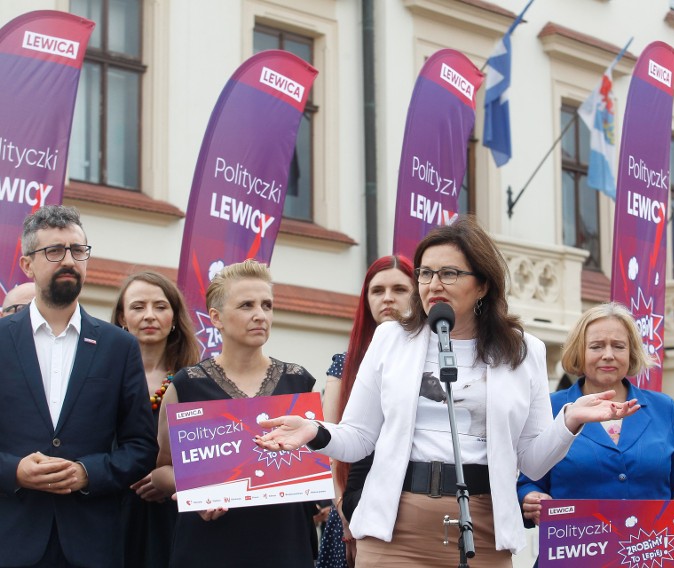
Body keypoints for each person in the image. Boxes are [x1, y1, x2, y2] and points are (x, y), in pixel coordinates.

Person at [256, 215, 640, 566]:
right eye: (425, 273)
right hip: (396, 529)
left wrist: (569, 420)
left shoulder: (524, 351)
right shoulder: (392, 339)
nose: (433, 284)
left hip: (483, 530)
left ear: (483, 285)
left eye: (449, 273)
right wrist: (315, 432)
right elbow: (358, 438)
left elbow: (533, 461)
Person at [0, 205, 157, 567]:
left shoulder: (119, 346)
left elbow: (140, 446)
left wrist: (88, 473)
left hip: (92, 543)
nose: (68, 260)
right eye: (53, 251)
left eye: (78, 250)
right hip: (11, 539)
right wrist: (15, 471)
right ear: (27, 265)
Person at [151, 259, 318, 567]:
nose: (260, 315)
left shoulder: (299, 382)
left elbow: (318, 460)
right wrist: (196, 491)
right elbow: (162, 471)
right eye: (246, 305)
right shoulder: (187, 385)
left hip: (284, 542)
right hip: (210, 543)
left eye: (267, 305)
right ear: (216, 317)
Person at [517, 302, 674, 534]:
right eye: (596, 347)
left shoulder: (663, 408)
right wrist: (533, 498)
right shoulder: (552, 406)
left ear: (631, 352)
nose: (608, 355)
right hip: (576, 552)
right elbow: (528, 480)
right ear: (580, 351)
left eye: (618, 346)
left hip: (648, 551)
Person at [318, 254, 414, 568]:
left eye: (399, 289)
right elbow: (330, 448)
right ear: (366, 300)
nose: (388, 297)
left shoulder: (431, 360)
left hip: (413, 505)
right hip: (351, 510)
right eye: (377, 290)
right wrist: (346, 517)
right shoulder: (344, 365)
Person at [112, 271, 200, 568]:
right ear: (122, 317)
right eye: (138, 307)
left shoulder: (196, 381)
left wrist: (169, 480)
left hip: (176, 514)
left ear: (174, 318)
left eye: (160, 307)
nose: (149, 315)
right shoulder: (103, 375)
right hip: (114, 509)